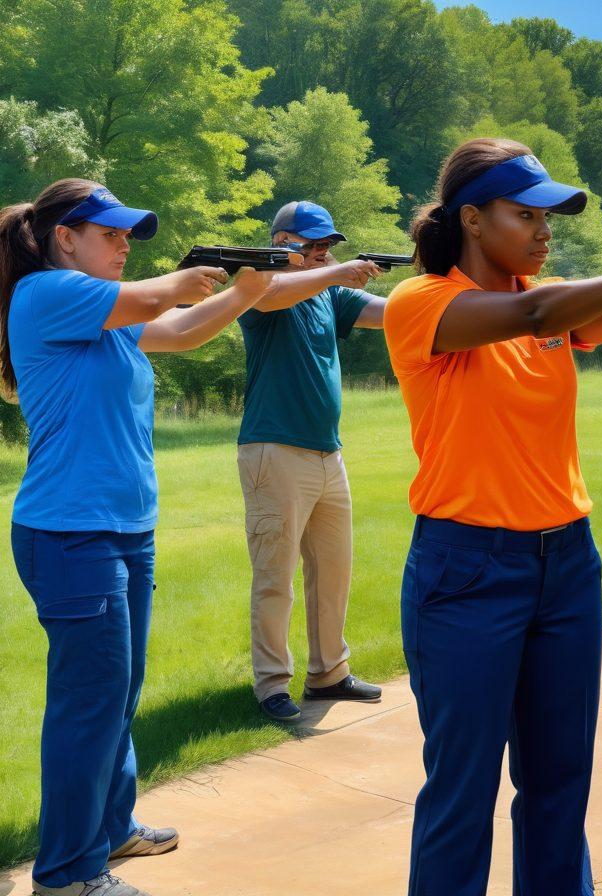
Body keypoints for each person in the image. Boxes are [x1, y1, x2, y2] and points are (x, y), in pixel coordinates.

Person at [383, 138, 602, 896]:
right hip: (467, 571)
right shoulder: (422, 304)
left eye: (549, 216)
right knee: (461, 793)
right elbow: (533, 310)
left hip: (567, 566)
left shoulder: (548, 305)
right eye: (525, 213)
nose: (544, 229)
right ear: (472, 219)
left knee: (559, 784)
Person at [0, 179, 272, 896]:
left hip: (121, 531)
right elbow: (163, 301)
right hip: (70, 535)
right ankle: (66, 873)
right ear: (66, 237)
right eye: (111, 233)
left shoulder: (102, 315)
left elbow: (181, 330)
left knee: (117, 696)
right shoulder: (46, 294)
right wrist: (188, 276)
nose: (124, 245)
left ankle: (111, 829)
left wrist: (248, 289)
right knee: (89, 706)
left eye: (129, 237)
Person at [237, 200, 388, 721]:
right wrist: (336, 274)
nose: (324, 253)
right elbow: (272, 297)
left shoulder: (327, 292)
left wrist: (439, 295)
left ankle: (329, 675)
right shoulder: (258, 285)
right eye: (314, 245)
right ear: (282, 243)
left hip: (328, 452)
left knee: (333, 571)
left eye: (329, 246)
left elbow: (388, 313)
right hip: (273, 449)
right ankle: (272, 684)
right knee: (274, 575)